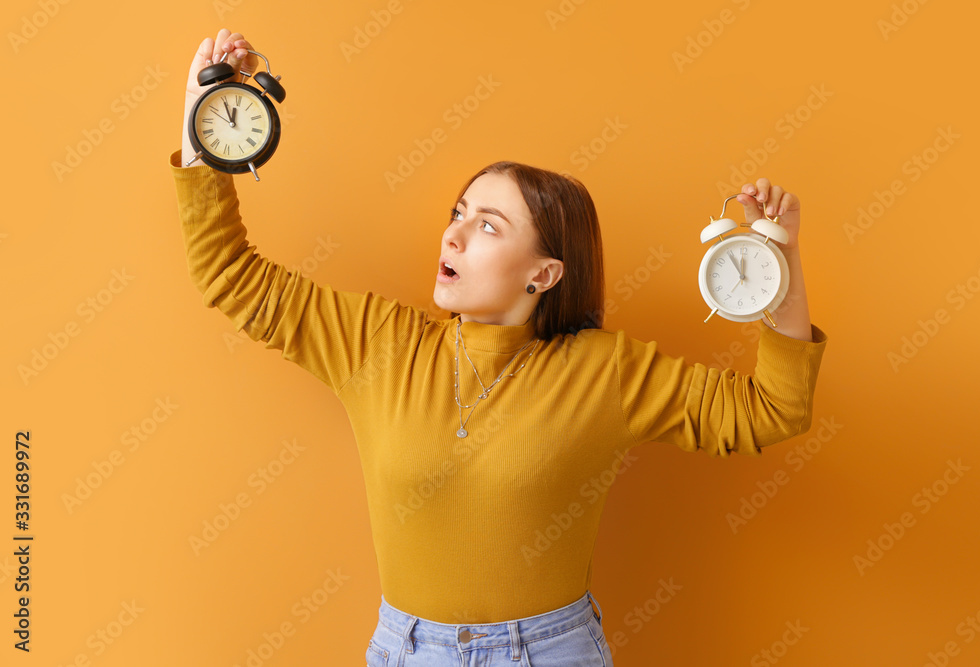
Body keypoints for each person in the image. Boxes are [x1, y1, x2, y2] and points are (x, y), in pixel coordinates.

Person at [170, 28, 828, 667]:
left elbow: (771, 407)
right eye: (458, 212)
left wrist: (782, 257)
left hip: (551, 651)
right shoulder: (377, 343)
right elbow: (229, 273)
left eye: (488, 225)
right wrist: (204, 118)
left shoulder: (605, 371)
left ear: (544, 273)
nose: (454, 235)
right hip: (407, 651)